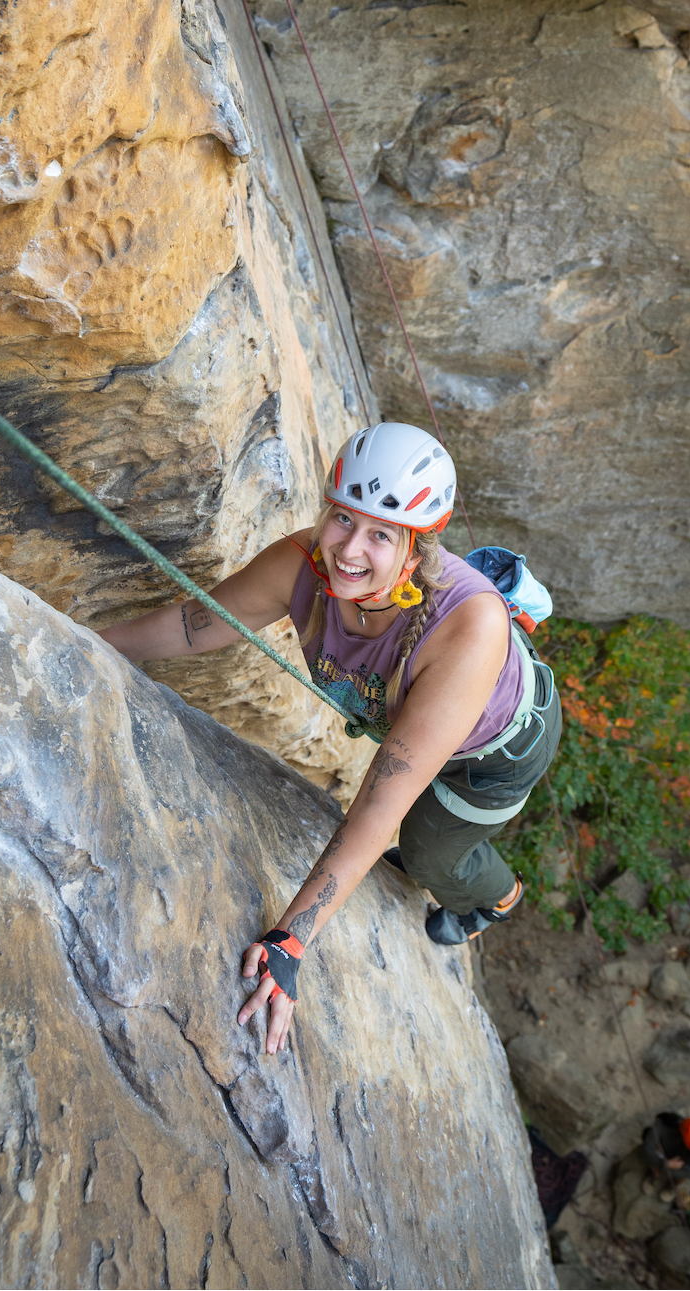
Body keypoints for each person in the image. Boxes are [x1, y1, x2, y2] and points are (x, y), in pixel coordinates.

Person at [98, 422, 562, 1056]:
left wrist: (291, 939)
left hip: (498, 753)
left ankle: (497, 895)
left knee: (427, 855)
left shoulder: (466, 628)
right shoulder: (303, 566)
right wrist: (88, 642)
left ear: (418, 547)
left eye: (381, 534)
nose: (349, 549)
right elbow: (191, 626)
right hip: (433, 736)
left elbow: (379, 802)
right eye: (343, 518)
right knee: (417, 842)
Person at [642, 1113, 690, 1181]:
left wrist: (669, 1168)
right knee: (647, 1137)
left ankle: (669, 1184)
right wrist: (666, 1164)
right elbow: (648, 1150)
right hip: (662, 1150)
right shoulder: (663, 1124)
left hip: (677, 1160)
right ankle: (653, 1173)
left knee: (682, 1176)